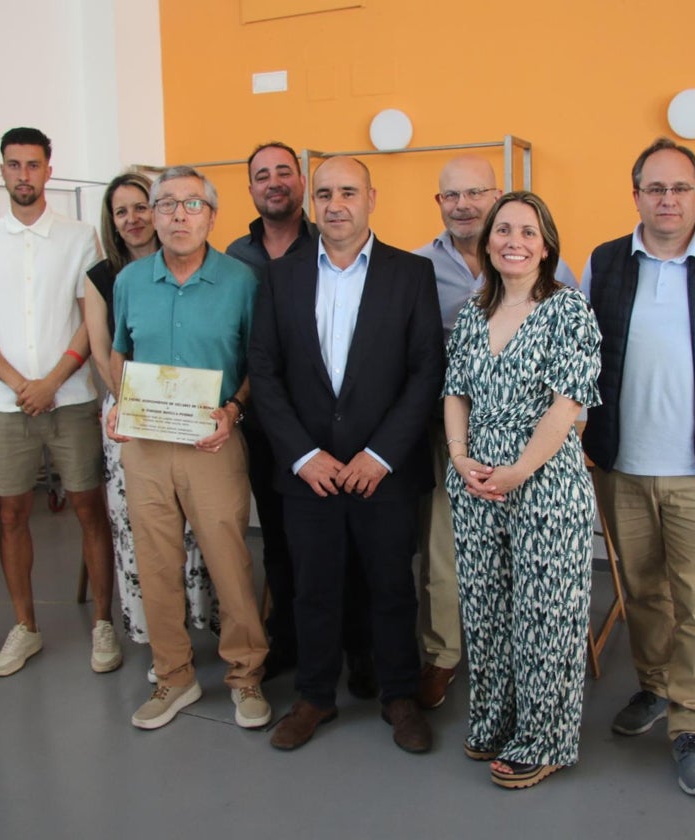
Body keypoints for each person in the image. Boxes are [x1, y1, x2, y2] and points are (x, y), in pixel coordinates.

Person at [580, 138, 695, 797]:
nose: (667, 200)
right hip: (622, 466)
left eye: (679, 188)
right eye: (654, 188)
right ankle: (655, 689)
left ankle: (693, 726)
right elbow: (584, 359)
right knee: (645, 594)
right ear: (635, 195)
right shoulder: (602, 263)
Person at [249, 156, 444, 753]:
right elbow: (265, 371)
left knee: (390, 586)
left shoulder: (410, 273)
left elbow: (425, 370)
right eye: (326, 193)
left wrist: (380, 454)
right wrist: (303, 454)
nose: (336, 204)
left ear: (371, 199)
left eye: (349, 192)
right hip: (309, 473)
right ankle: (313, 697)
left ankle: (399, 696)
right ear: (313, 201)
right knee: (311, 588)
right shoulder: (281, 276)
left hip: (382, 471)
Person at [443, 191, 601, 789]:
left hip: (546, 484)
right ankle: (495, 719)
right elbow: (454, 390)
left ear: (546, 245)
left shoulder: (568, 310)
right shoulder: (469, 314)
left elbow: (567, 405)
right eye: (502, 230)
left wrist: (519, 470)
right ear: (486, 242)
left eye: (527, 232)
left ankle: (544, 738)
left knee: (546, 613)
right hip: (475, 482)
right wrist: (460, 458)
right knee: (485, 610)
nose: (514, 241)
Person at [413, 155, 581, 709]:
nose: (463, 204)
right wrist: (460, 452)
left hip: (539, 457)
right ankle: (448, 660)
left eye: (475, 193)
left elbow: (569, 392)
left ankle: (539, 711)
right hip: (460, 443)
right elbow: (447, 377)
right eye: (450, 196)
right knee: (455, 564)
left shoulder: (565, 296)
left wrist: (525, 465)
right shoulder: (420, 270)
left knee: (540, 594)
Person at [108, 165, 270, 731]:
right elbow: (120, 353)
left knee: (229, 561)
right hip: (146, 445)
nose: (179, 215)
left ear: (212, 215)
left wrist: (233, 410)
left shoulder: (242, 282)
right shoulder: (129, 282)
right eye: (167, 204)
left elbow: (257, 365)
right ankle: (172, 676)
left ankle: (245, 674)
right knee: (155, 565)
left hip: (212, 442)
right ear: (150, 216)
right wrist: (119, 403)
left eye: (192, 205)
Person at [0, 127, 119, 677]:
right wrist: (18, 382)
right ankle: (24, 627)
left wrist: (51, 380)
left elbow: (89, 320)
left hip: (71, 397)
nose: (23, 174)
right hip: (5, 406)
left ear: (49, 170)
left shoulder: (79, 237)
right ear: (1, 171)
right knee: (10, 514)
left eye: (33, 164)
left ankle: (103, 625)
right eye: (13, 165)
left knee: (88, 508)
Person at [226, 142, 375, 696]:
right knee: (285, 544)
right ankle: (290, 641)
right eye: (261, 175)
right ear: (251, 189)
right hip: (274, 431)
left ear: (302, 184)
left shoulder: (334, 241)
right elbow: (255, 356)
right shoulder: (235, 257)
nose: (274, 183)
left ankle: (358, 649)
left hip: (346, 431)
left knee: (357, 547)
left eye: (284, 172)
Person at [84, 172, 217, 680]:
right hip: (133, 415)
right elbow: (105, 353)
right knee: (141, 531)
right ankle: (158, 638)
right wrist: (139, 406)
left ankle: (207, 623)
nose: (135, 219)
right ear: (112, 222)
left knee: (201, 531)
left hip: (199, 417)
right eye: (122, 212)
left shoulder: (205, 264)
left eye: (143, 206)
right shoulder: (106, 277)